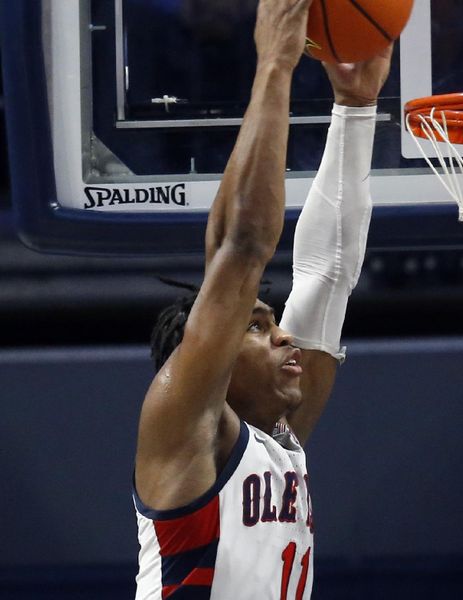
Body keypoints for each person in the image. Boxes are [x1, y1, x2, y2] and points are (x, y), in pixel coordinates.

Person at [131, 1, 393, 597]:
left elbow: (328, 273)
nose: (281, 335)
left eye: (269, 322)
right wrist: (275, 63)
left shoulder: (280, 438)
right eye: (254, 326)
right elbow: (241, 244)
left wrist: (356, 110)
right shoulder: (185, 425)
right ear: (211, 359)